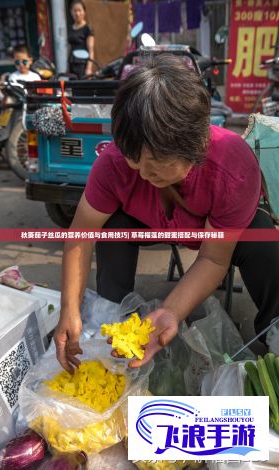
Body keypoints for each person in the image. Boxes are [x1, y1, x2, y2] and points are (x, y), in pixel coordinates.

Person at [54, 54, 279, 373]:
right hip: (147, 225)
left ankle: (273, 328)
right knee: (112, 226)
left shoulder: (234, 168)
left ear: (197, 143)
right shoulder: (116, 162)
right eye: (135, 160)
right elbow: (80, 236)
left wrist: (172, 310)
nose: (143, 174)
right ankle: (113, 320)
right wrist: (70, 308)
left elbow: (214, 258)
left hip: (207, 230)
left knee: (262, 236)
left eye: (156, 166)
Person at [68, 0, 94, 79]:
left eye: (79, 10)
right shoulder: (70, 28)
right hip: (72, 63)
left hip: (82, 64)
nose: (77, 13)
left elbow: (91, 50)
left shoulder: (87, 29)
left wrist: (89, 68)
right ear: (71, 12)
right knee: (72, 88)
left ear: (84, 12)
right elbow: (69, 47)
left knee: (81, 88)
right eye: (75, 11)